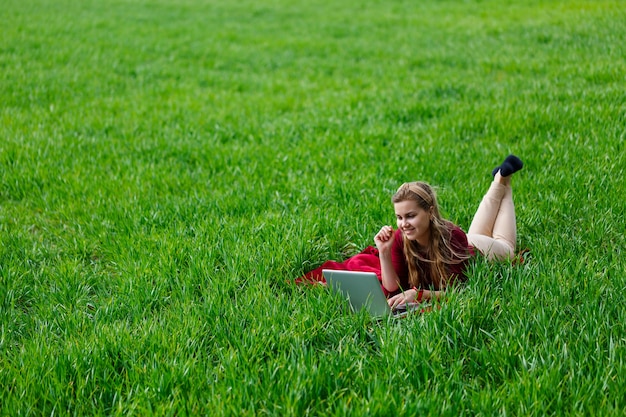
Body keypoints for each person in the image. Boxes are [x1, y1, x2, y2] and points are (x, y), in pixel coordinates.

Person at [375, 155, 523, 309]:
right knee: (478, 230)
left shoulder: (452, 236)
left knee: (506, 245)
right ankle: (499, 179)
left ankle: (504, 181)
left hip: (483, 250)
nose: (403, 224)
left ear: (430, 212)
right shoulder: (400, 237)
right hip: (464, 243)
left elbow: (459, 291)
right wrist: (384, 252)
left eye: (411, 216)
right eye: (399, 217)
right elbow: (393, 288)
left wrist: (419, 294)